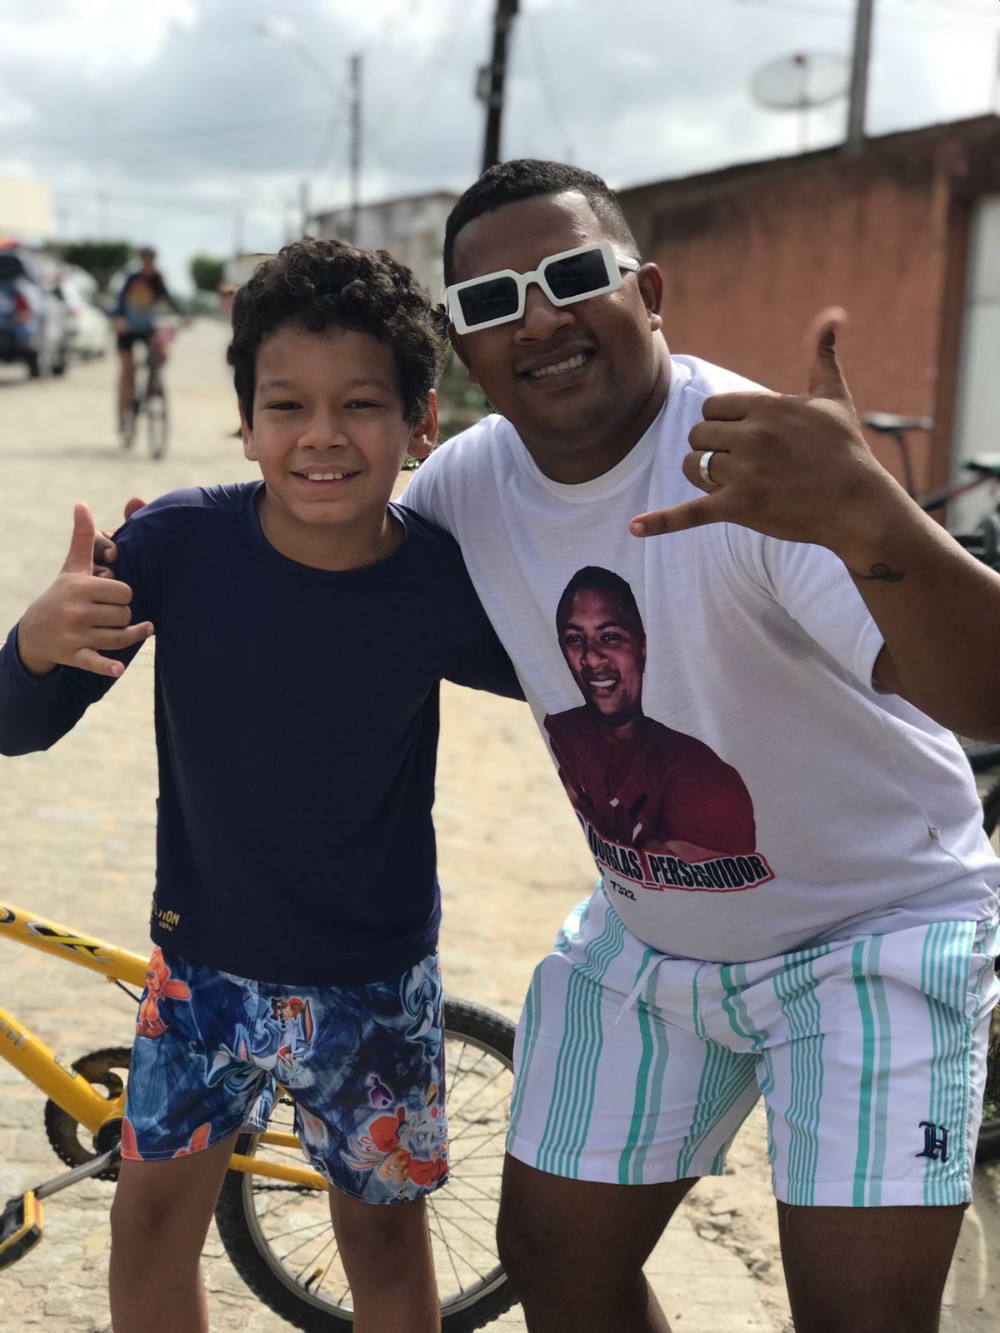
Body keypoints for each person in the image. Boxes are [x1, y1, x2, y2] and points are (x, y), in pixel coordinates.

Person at [89, 161, 1000, 1333]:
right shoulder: (467, 488)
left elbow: (983, 698)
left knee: (859, 1315)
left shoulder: (751, 462)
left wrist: (874, 518)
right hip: (651, 933)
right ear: (461, 353)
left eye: (572, 277)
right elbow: (330, 546)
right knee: (555, 1262)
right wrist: (158, 566)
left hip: (870, 930)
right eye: (491, 301)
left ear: (648, 291)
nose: (537, 319)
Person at [0, 237, 521, 1333]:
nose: (321, 434)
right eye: (286, 404)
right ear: (245, 421)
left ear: (421, 423)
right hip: (199, 973)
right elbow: (19, 722)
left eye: (361, 404)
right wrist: (35, 647)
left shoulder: (439, 579)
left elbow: (591, 682)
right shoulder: (176, 546)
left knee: (383, 1245)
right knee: (148, 1230)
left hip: (374, 982)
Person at [544, 564, 758, 864]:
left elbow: (720, 884)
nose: (591, 658)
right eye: (575, 639)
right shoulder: (567, 732)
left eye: (610, 637)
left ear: (642, 648)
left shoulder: (699, 775)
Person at [111, 246, 188, 427]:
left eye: (150, 260)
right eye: (145, 260)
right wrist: (118, 319)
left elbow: (170, 299)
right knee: (127, 371)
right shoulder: (132, 279)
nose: (148, 264)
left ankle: (150, 387)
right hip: (127, 330)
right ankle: (123, 413)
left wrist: (183, 315)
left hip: (147, 329)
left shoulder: (157, 280)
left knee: (161, 355)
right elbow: (119, 303)